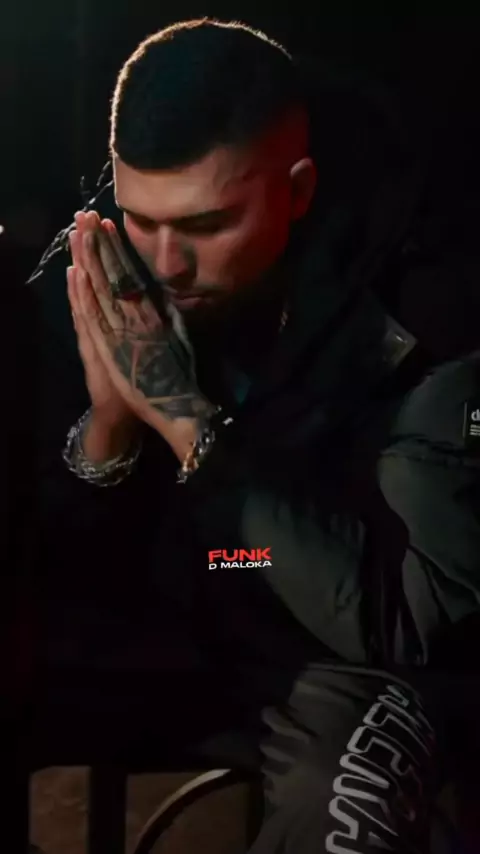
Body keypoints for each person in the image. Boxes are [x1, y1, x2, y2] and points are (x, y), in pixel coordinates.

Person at [24, 17, 480, 853]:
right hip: (158, 638)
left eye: (206, 225)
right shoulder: (93, 269)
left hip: (339, 663)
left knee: (341, 806)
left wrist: (186, 422)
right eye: (142, 218)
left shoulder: (428, 306)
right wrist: (108, 436)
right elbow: (60, 565)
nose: (167, 263)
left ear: (298, 191)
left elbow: (408, 619)